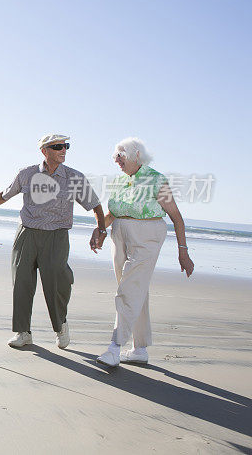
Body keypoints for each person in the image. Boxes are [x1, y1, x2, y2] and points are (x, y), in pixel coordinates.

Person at [0, 134, 106, 349]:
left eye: (65, 146)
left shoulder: (74, 178)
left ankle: (60, 325)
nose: (63, 150)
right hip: (27, 233)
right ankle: (23, 332)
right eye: (57, 147)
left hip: (57, 235)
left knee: (57, 281)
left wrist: (101, 228)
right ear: (44, 151)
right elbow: (6, 194)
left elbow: (95, 204)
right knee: (21, 282)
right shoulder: (27, 174)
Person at [95, 137, 195, 367]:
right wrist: (99, 230)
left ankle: (114, 347)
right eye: (116, 157)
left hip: (147, 236)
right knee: (134, 289)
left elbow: (176, 217)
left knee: (128, 290)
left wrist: (183, 251)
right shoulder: (119, 181)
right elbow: (112, 214)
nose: (117, 161)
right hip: (119, 235)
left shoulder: (157, 180)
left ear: (136, 156)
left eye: (122, 157)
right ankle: (139, 349)